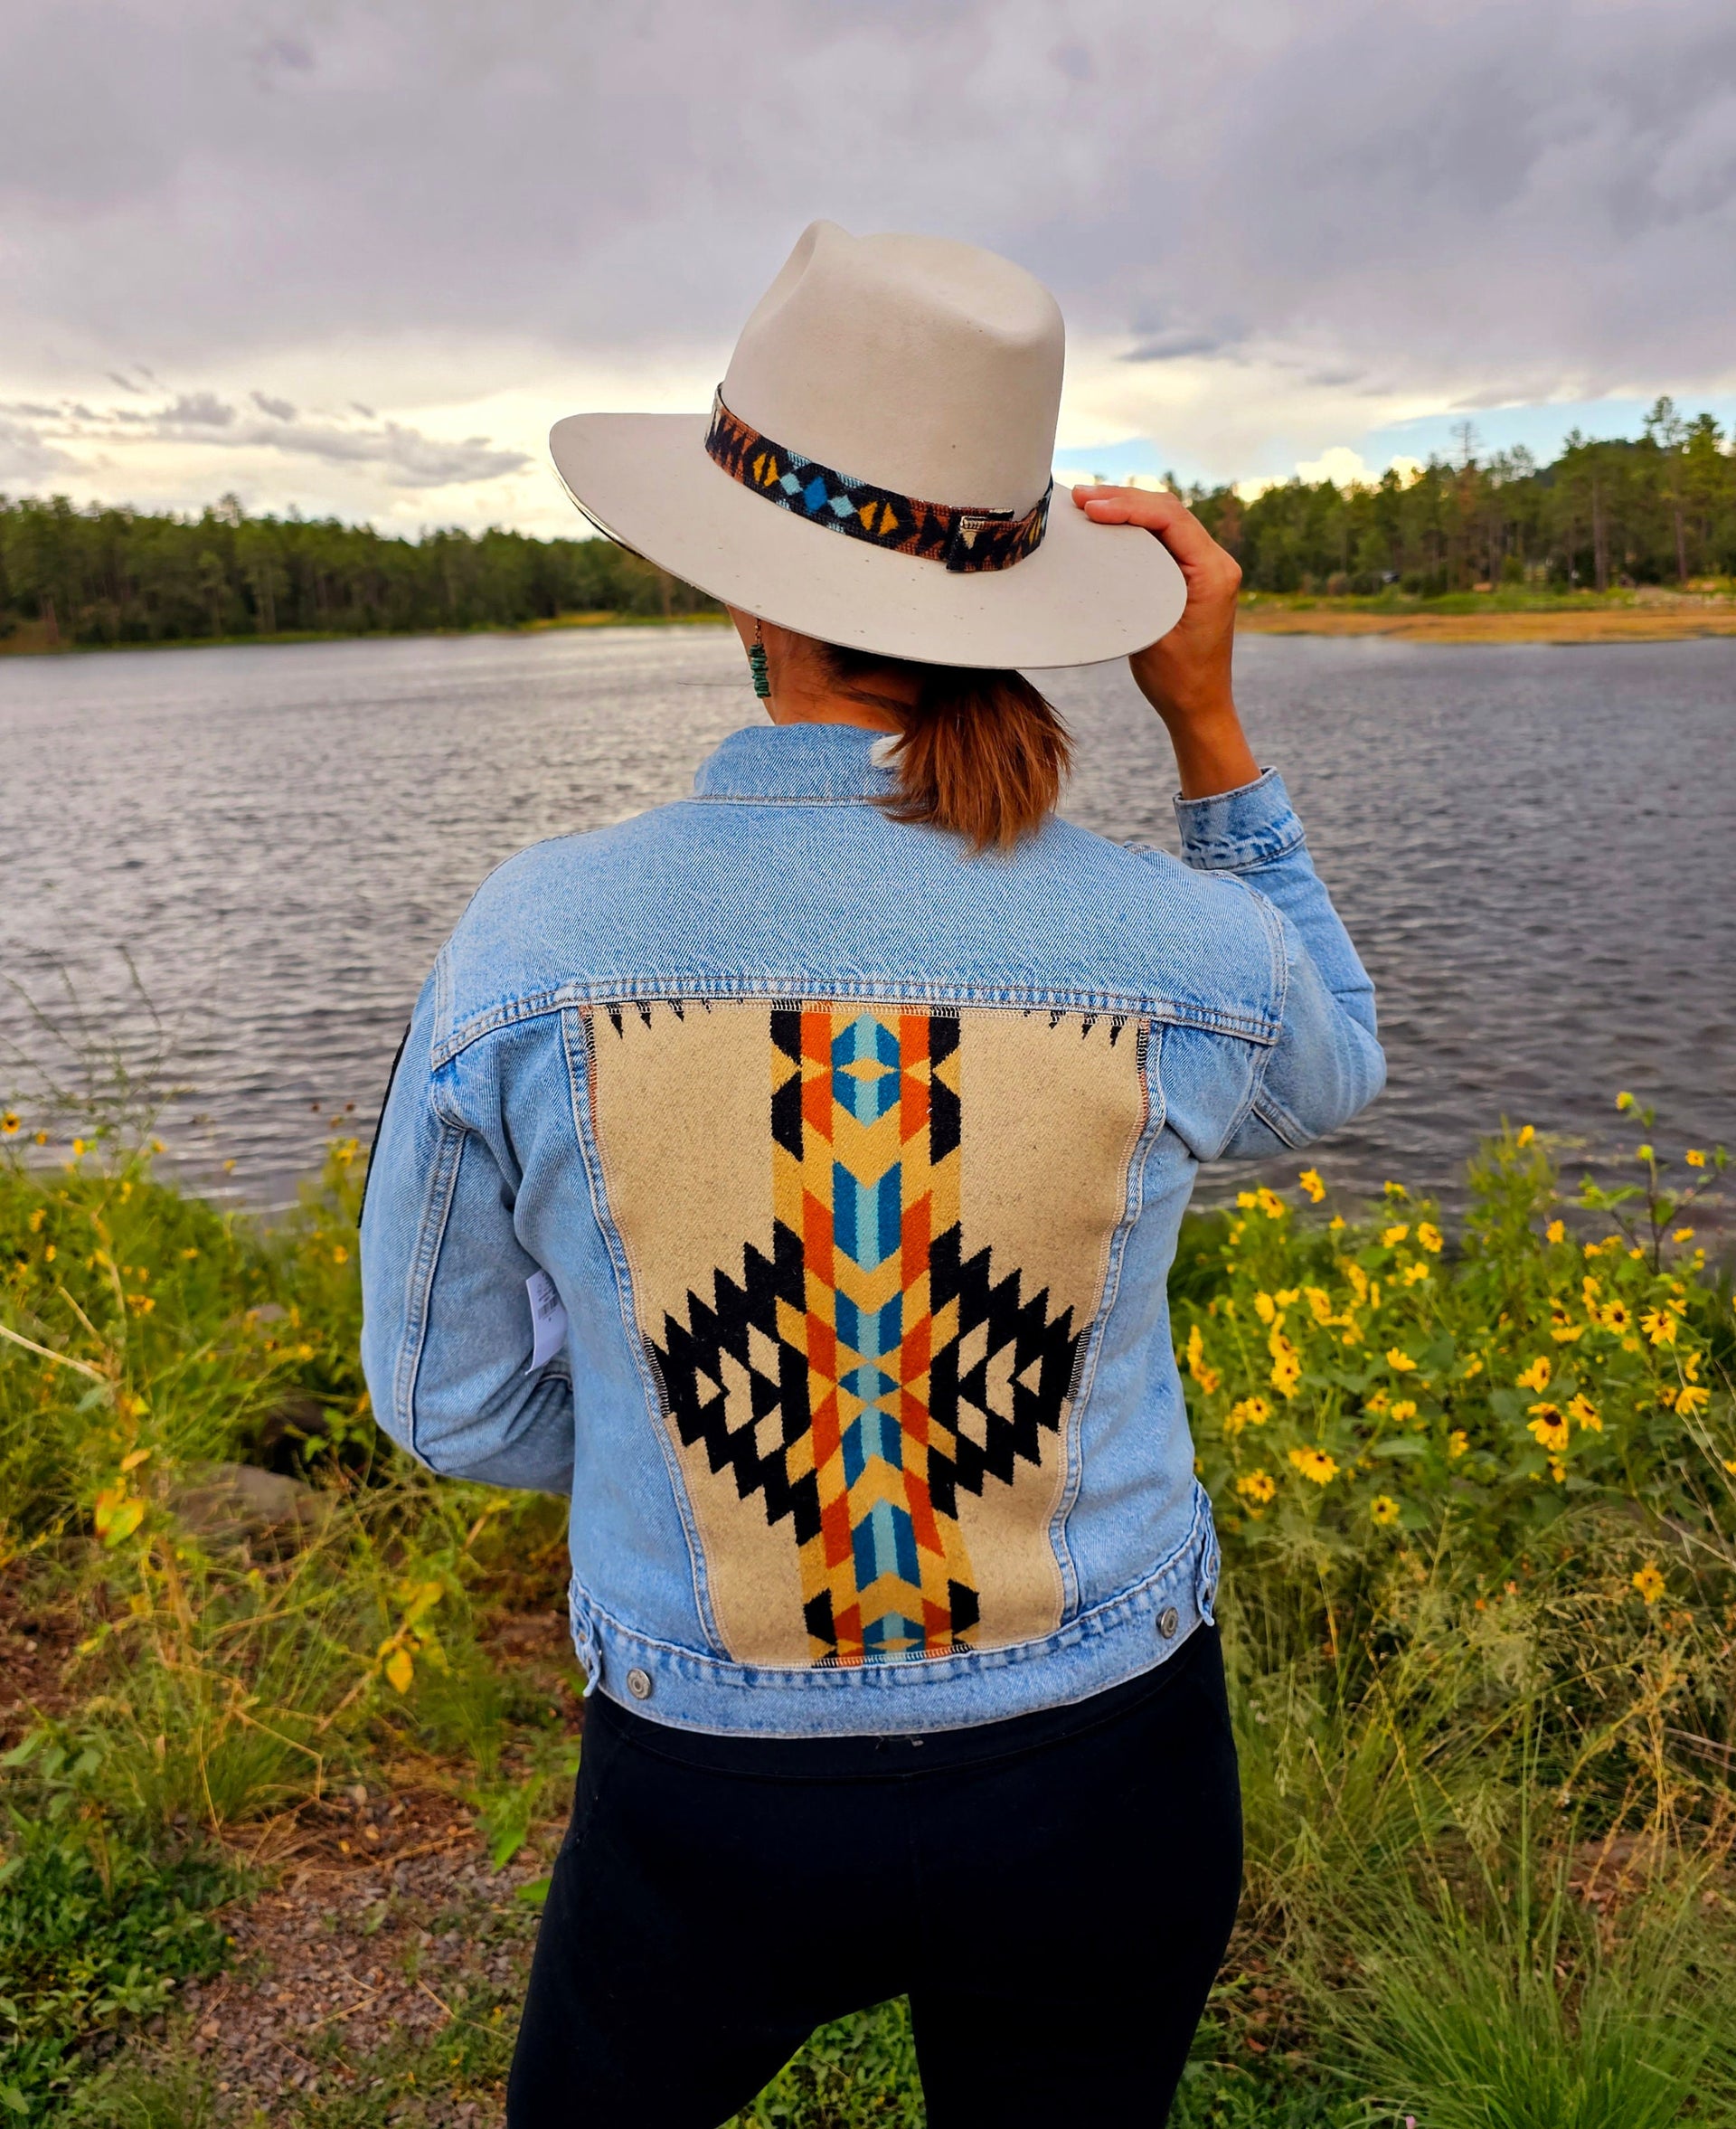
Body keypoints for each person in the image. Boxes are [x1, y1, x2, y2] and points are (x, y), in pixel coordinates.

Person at [359, 221, 1383, 2129]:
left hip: (705, 1790)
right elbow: (1336, 1062)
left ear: (745, 594)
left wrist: (676, 1425)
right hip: (1109, 1768)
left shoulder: (532, 943)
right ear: (1016, 598)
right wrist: (1208, 726)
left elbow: (444, 1399)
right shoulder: (1174, 944)